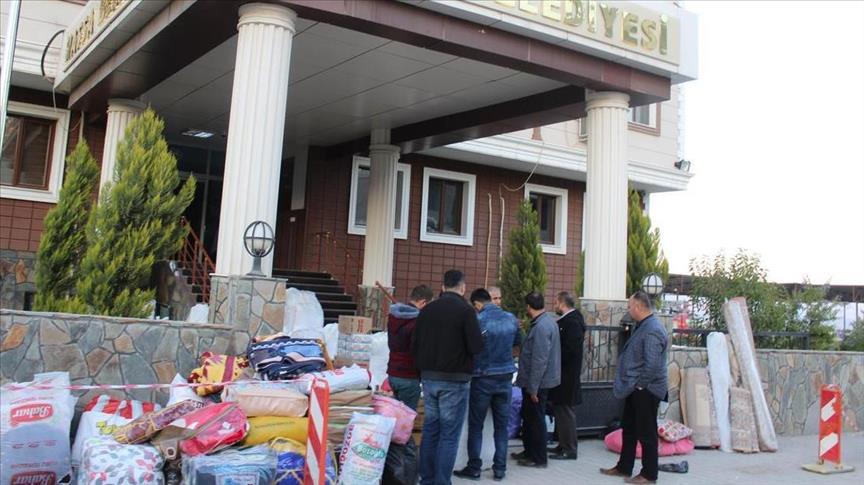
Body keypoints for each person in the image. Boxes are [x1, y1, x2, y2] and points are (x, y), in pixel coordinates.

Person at [412, 270, 484, 485]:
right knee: (449, 435)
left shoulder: (427, 310)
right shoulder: (466, 311)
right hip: (455, 380)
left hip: (429, 378)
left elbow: (415, 344)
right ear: (463, 287)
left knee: (431, 430)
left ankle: (427, 480)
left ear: (443, 287)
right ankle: (442, 481)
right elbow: (476, 346)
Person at [600, 291, 669, 484]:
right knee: (629, 429)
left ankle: (649, 474)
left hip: (646, 389)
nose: (629, 310)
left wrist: (640, 385)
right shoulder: (643, 325)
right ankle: (624, 467)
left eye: (630, 306)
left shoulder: (653, 329)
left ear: (638, 307)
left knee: (647, 432)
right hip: (636, 387)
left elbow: (652, 364)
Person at [454, 289, 521, 482]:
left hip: (482, 377)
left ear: (477, 304)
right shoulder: (511, 318)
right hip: (505, 377)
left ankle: (474, 467)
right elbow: (517, 343)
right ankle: (500, 469)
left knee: (476, 425)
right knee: (502, 427)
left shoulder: (477, 320)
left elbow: (469, 348)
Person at [512, 292, 561, 468]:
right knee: (529, 416)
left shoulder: (541, 327)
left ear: (528, 307)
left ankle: (539, 458)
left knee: (536, 420)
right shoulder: (547, 322)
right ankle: (529, 451)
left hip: (537, 383)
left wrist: (533, 388)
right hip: (537, 381)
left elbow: (540, 360)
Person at [547, 291, 585, 460]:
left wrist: (555, 359)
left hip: (566, 375)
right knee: (560, 410)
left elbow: (569, 350)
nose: (554, 306)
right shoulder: (568, 321)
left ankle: (569, 448)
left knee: (565, 411)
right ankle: (562, 444)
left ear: (562, 303)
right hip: (563, 374)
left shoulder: (572, 322)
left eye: (556, 302)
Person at [387, 284, 434, 410]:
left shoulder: (394, 317)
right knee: (407, 416)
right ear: (423, 303)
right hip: (408, 375)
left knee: (397, 414)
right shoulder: (417, 322)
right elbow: (418, 350)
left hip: (393, 373)